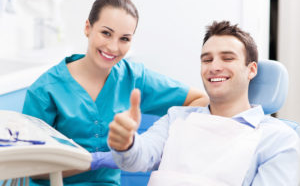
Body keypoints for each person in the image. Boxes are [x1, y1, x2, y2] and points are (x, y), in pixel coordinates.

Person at [22, 0, 209, 186]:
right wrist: (94, 161)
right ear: (88, 28)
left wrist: (150, 142)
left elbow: (200, 100)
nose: (113, 47)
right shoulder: (45, 91)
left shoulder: (134, 77)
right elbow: (32, 168)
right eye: (106, 33)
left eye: (124, 39)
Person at [108, 21, 300, 185]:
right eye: (207, 60)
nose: (214, 67)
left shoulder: (279, 140)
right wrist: (126, 143)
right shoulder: (176, 118)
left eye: (227, 58)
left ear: (251, 70)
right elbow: (137, 159)